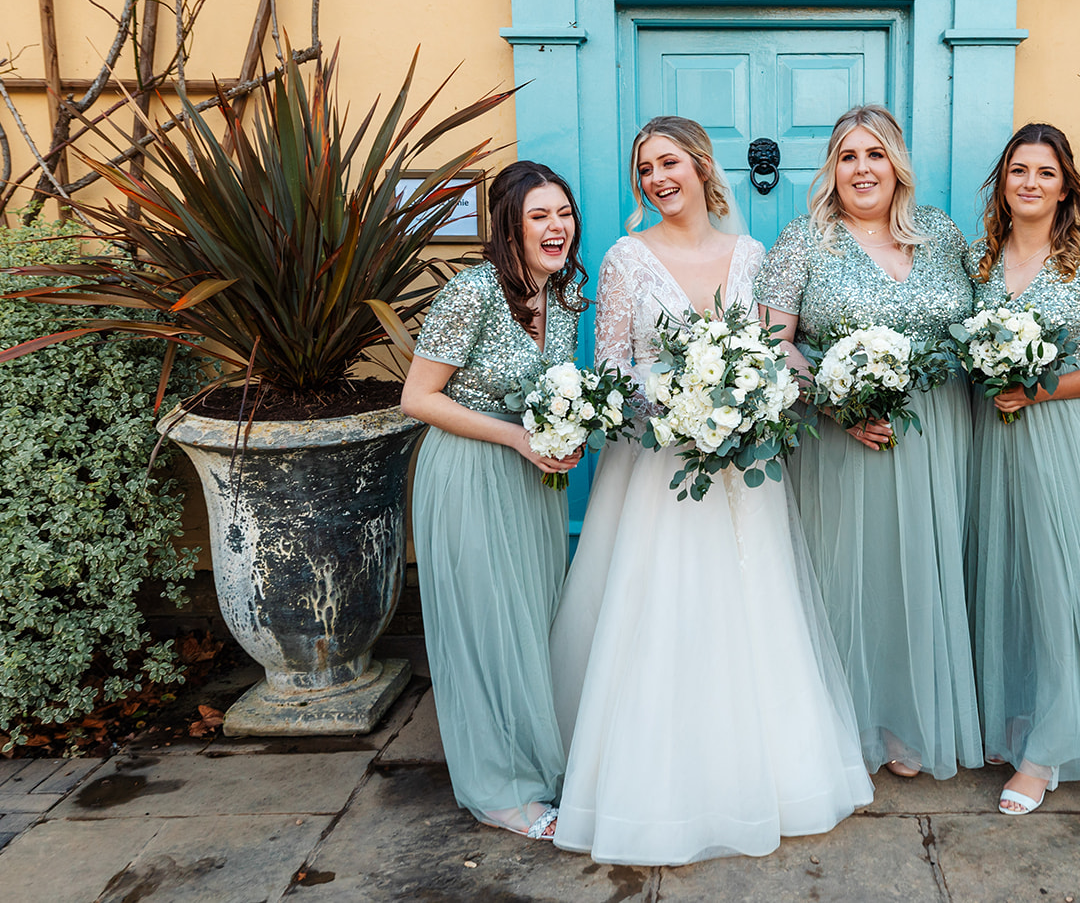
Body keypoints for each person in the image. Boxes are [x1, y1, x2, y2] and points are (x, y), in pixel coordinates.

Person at [550, 116, 872, 865]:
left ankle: (765, 769)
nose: (657, 179)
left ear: (701, 166)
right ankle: (651, 776)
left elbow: (771, 353)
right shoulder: (627, 258)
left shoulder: (751, 254)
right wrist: (676, 410)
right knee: (662, 611)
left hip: (743, 469)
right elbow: (615, 370)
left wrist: (751, 399)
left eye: (668, 163)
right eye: (644, 170)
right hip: (657, 470)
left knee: (754, 612)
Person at [755, 104, 983, 780]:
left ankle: (910, 719)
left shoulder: (941, 234)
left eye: (875, 154)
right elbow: (774, 340)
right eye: (848, 156)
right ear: (833, 168)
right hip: (843, 435)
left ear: (897, 164)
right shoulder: (804, 239)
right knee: (847, 573)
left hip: (937, 428)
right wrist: (834, 402)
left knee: (921, 570)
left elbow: (979, 319)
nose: (862, 169)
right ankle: (843, 723)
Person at [400, 160, 590, 839]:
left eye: (563, 213)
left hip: (530, 479)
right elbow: (417, 398)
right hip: (470, 475)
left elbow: (552, 390)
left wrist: (564, 434)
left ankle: (537, 760)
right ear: (508, 224)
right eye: (540, 215)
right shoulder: (472, 292)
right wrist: (516, 436)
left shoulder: (564, 294)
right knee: (487, 627)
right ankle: (500, 789)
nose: (556, 226)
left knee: (530, 623)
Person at [965, 122, 1080, 815]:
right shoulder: (980, 258)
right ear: (1003, 182)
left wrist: (1043, 388)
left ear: (1066, 183)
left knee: (1056, 583)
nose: (1030, 183)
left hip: (1059, 430)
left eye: (1045, 172)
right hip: (992, 433)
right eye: (1018, 171)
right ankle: (1010, 719)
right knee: (1000, 571)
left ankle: (1047, 749)